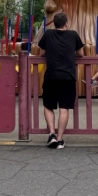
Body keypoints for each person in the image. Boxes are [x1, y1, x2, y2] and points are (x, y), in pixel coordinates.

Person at [37, 12, 84, 149]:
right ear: (66, 24)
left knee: (48, 105)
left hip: (51, 74)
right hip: (68, 75)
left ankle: (51, 133)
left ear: (53, 23)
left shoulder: (48, 34)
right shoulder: (73, 34)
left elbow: (41, 53)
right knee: (64, 108)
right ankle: (60, 138)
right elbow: (81, 54)